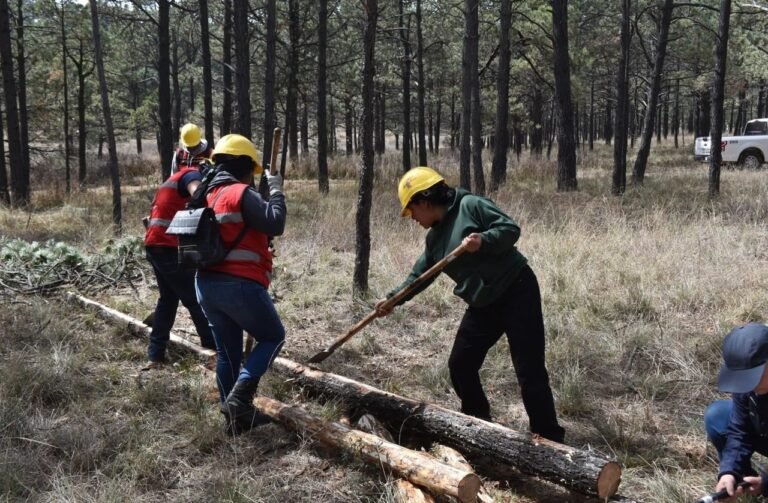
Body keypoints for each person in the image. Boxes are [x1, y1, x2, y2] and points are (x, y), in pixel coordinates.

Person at [374, 166, 565, 443]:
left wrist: (483, 241)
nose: (412, 217)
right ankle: (479, 428)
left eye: (411, 210)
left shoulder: (471, 205)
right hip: (483, 304)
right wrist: (393, 299)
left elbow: (510, 229)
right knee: (461, 364)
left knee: (529, 369)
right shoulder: (435, 239)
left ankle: (550, 440)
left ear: (424, 201)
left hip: (517, 291)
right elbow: (419, 276)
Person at [193, 134, 287, 435]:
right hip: (239, 286)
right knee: (273, 337)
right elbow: (275, 223)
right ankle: (240, 399)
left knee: (228, 354)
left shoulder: (206, 193)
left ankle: (234, 422)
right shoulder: (240, 192)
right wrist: (277, 190)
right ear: (245, 166)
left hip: (205, 286)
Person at [143, 161, 216, 367]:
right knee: (195, 298)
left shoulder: (174, 178)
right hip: (168, 246)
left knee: (168, 300)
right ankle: (214, 350)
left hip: (156, 245)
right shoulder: (191, 176)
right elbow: (197, 193)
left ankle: (155, 355)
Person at [704, 323, 768, 499]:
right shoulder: (747, 387)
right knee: (717, 415)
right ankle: (745, 485)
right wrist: (729, 471)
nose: (748, 385)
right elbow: (740, 430)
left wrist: (766, 483)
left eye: (753, 376)